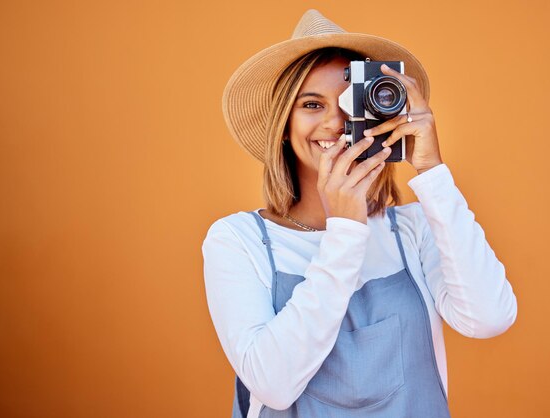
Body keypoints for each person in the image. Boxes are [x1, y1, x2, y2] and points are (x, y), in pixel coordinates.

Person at [202, 9, 517, 418]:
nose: (335, 123)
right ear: (283, 125)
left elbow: (490, 318)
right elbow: (273, 385)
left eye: (352, 105)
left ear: (381, 116)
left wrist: (433, 173)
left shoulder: (413, 229)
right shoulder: (237, 240)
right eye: (312, 105)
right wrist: (345, 231)